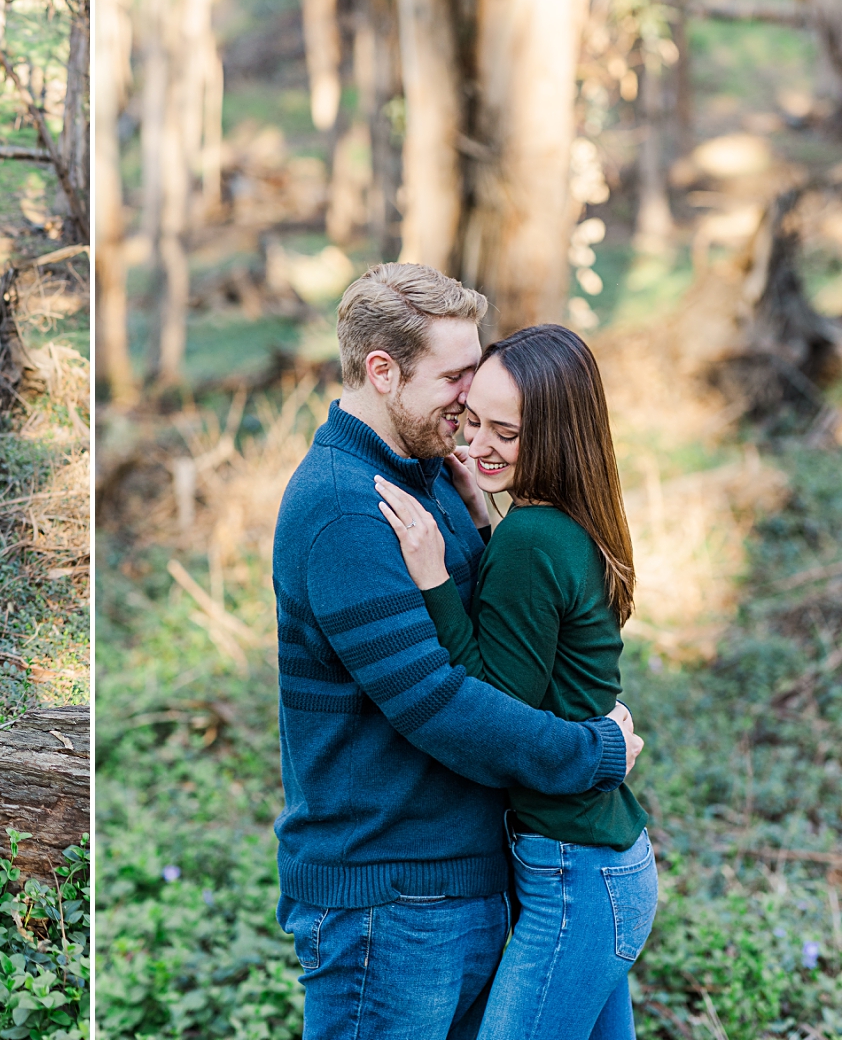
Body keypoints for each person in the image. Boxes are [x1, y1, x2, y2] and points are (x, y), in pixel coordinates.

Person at [271, 262, 643, 1039]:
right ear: (383, 370)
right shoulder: (345, 507)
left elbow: (502, 634)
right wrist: (593, 751)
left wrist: (477, 526)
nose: (469, 400)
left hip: (472, 881)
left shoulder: (433, 472)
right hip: (390, 900)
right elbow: (441, 704)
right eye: (455, 375)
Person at [373, 323, 656, 1040]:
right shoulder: (560, 524)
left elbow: (497, 705)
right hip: (598, 864)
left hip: (576, 874)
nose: (477, 445)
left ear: (558, 436)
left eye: (508, 431)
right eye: (472, 421)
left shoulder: (532, 539)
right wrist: (481, 514)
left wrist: (435, 577)